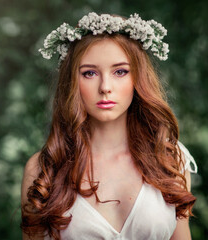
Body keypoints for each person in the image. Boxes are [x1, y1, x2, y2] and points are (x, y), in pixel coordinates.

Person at [21, 12, 198, 240]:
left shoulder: (170, 159)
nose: (105, 86)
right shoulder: (43, 170)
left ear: (138, 78)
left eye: (120, 71)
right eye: (90, 73)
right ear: (72, 81)